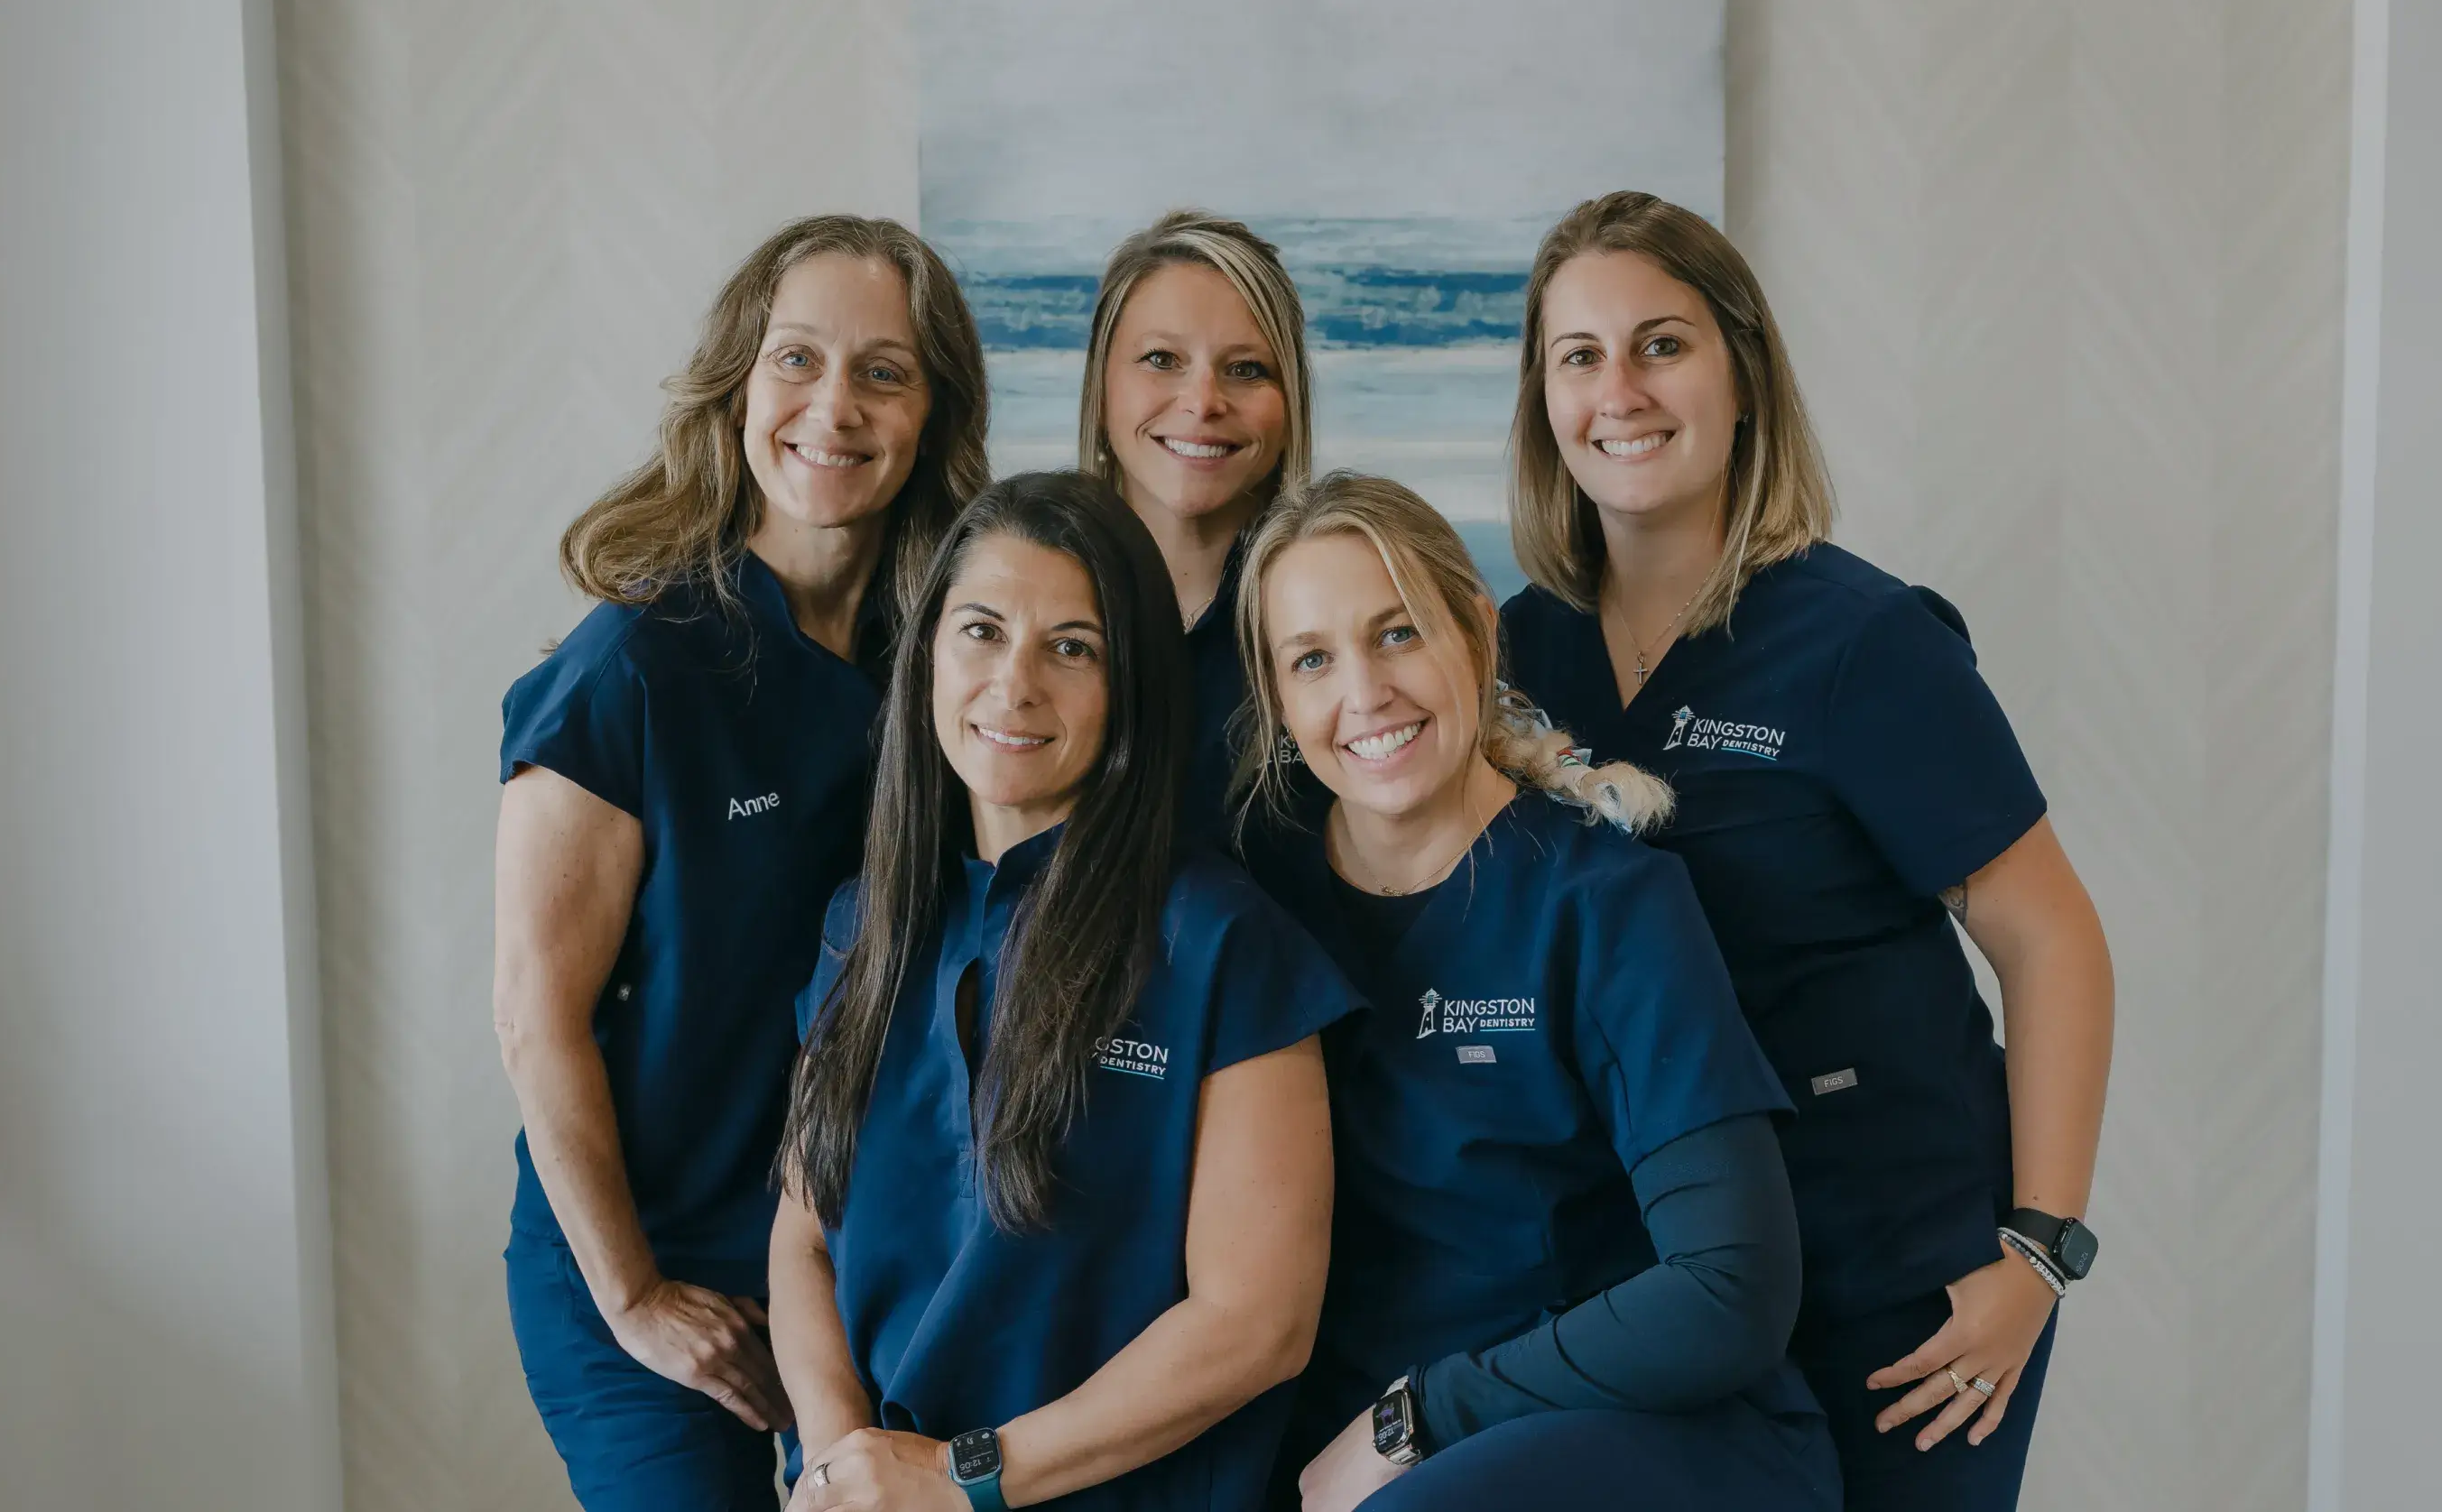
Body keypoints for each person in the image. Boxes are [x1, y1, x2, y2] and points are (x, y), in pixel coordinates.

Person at [1497, 191, 2116, 1512]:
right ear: (1543, 397)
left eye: (1662, 344)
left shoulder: (1864, 643)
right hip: (1656, 1286)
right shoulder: (1515, 655)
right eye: (1580, 355)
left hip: (1897, 1287)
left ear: (1741, 374)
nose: (1621, 391)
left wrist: (2041, 1254)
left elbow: (2050, 938)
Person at [492, 215, 988, 1510]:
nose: (835, 405)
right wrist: (636, 1297)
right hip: (655, 1263)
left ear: (933, 412)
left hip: (860, 1260)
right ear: (738, 385)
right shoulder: (632, 670)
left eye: (884, 371)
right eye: (798, 361)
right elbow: (536, 1019)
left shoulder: (949, 663)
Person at [1231, 473, 1840, 1512]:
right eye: (1313, 659)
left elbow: (1730, 1290)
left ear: (1474, 629)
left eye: (1398, 633)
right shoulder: (1247, 898)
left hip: (1636, 1435)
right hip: (1346, 1447)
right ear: (1278, 699)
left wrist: (1417, 1417)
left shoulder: (1607, 902)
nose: (1364, 693)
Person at [770, 471, 1360, 1511]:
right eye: (982, 631)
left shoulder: (1221, 942)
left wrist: (960, 1482)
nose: (1014, 684)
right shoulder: (860, 923)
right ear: (927, 655)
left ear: (1128, 688)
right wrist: (839, 1467)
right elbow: (802, 1237)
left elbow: (1256, 1323)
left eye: (1072, 648)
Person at [1077, 210, 1314, 843]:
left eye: (1246, 369)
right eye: (1161, 359)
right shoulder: (1019, 603)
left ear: (1289, 408)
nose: (1204, 400)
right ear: (1101, 390)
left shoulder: (1346, 609)